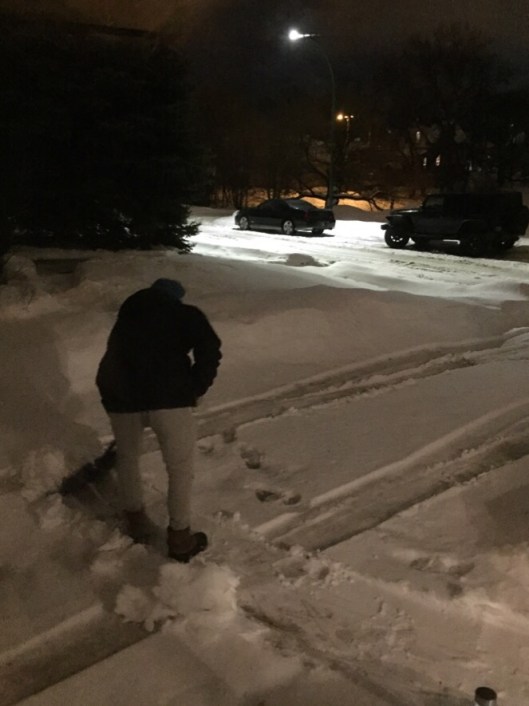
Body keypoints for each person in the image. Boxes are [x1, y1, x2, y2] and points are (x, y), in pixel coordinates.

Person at [96, 278, 222, 562]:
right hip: (169, 400)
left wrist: (111, 398)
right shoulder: (184, 314)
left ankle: (136, 521)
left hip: (121, 397)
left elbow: (109, 362)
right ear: (175, 298)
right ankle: (180, 538)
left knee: (127, 458)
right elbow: (210, 349)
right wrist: (195, 387)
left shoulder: (127, 318)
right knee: (179, 468)